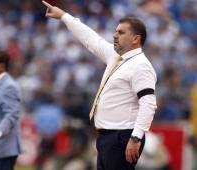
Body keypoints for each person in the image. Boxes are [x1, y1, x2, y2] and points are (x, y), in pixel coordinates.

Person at [42, 1, 157, 170]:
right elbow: (91, 39)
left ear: (136, 39)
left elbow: (148, 103)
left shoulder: (141, 65)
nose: (115, 35)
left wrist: (136, 138)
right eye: (115, 31)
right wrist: (64, 16)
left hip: (122, 136)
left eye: (121, 32)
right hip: (107, 136)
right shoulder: (116, 57)